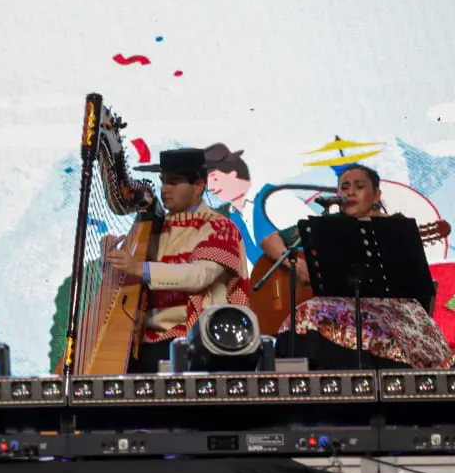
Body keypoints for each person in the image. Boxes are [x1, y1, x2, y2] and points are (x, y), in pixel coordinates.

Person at [259, 164, 452, 369]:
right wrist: (296, 265)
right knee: (305, 313)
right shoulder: (327, 223)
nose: (350, 192)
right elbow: (269, 241)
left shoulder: (396, 225)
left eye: (359, 186)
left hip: (389, 307)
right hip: (339, 303)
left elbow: (410, 278)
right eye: (344, 187)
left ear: (376, 195)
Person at [105, 148, 250, 374]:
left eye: (173, 182)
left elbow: (199, 276)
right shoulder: (151, 230)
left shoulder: (219, 227)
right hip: (147, 342)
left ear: (198, 186)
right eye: (163, 182)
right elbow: (125, 290)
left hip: (195, 341)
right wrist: (112, 259)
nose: (164, 189)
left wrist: (139, 267)